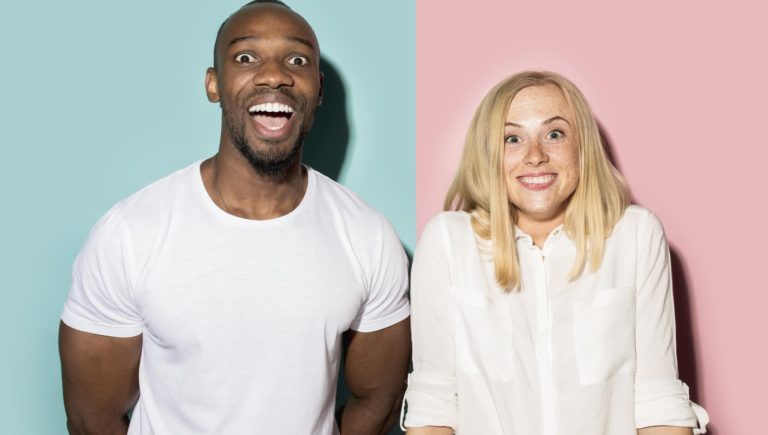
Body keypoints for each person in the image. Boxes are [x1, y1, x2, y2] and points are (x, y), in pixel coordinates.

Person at [58, 1, 411, 434]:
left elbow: (378, 400)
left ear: (317, 89)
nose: (274, 74)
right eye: (245, 57)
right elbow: (92, 417)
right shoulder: (130, 233)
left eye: (296, 60)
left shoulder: (368, 237)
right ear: (214, 84)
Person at [401, 71, 708, 434]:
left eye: (554, 134)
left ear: (583, 145)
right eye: (512, 138)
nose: (535, 156)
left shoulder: (636, 235)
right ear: (488, 154)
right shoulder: (448, 243)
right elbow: (433, 405)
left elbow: (659, 403)